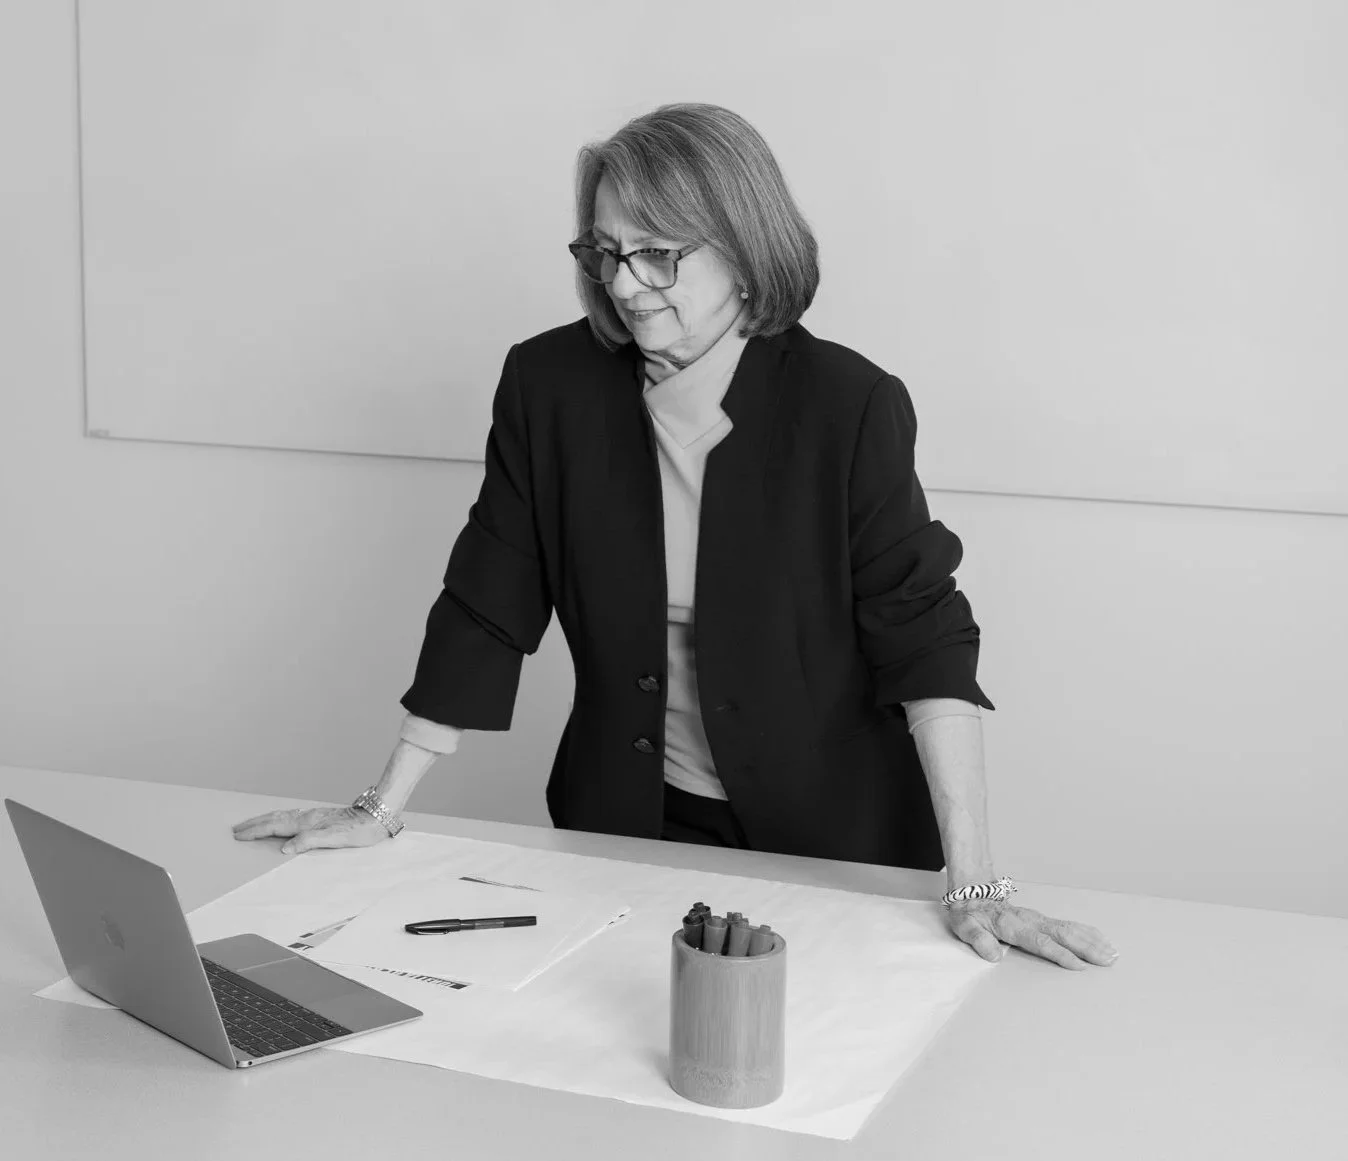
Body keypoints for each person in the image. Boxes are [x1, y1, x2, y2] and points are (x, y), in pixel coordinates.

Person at [235, 103, 1118, 972]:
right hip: (629, 822)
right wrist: (379, 805)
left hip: (835, 836)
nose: (625, 283)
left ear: (745, 251)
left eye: (658, 252)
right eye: (606, 251)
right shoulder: (550, 386)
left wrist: (973, 882)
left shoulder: (847, 405)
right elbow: (487, 599)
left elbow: (923, 637)